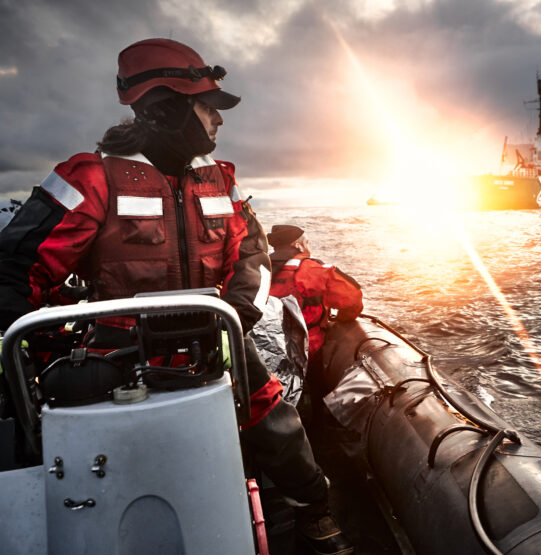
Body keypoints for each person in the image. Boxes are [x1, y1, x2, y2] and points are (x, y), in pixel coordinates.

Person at [0, 38, 352, 555]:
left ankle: (313, 509)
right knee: (85, 440)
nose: (219, 121)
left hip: (216, 335)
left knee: (274, 420)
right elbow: (15, 270)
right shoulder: (91, 178)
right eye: (209, 107)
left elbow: (251, 254)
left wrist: (236, 314)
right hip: (118, 351)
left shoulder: (221, 179)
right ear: (166, 107)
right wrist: (41, 349)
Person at [266, 225, 363, 363]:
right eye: (307, 243)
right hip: (305, 348)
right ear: (298, 246)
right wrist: (342, 320)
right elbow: (352, 298)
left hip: (265, 345)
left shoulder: (259, 267)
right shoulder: (314, 269)